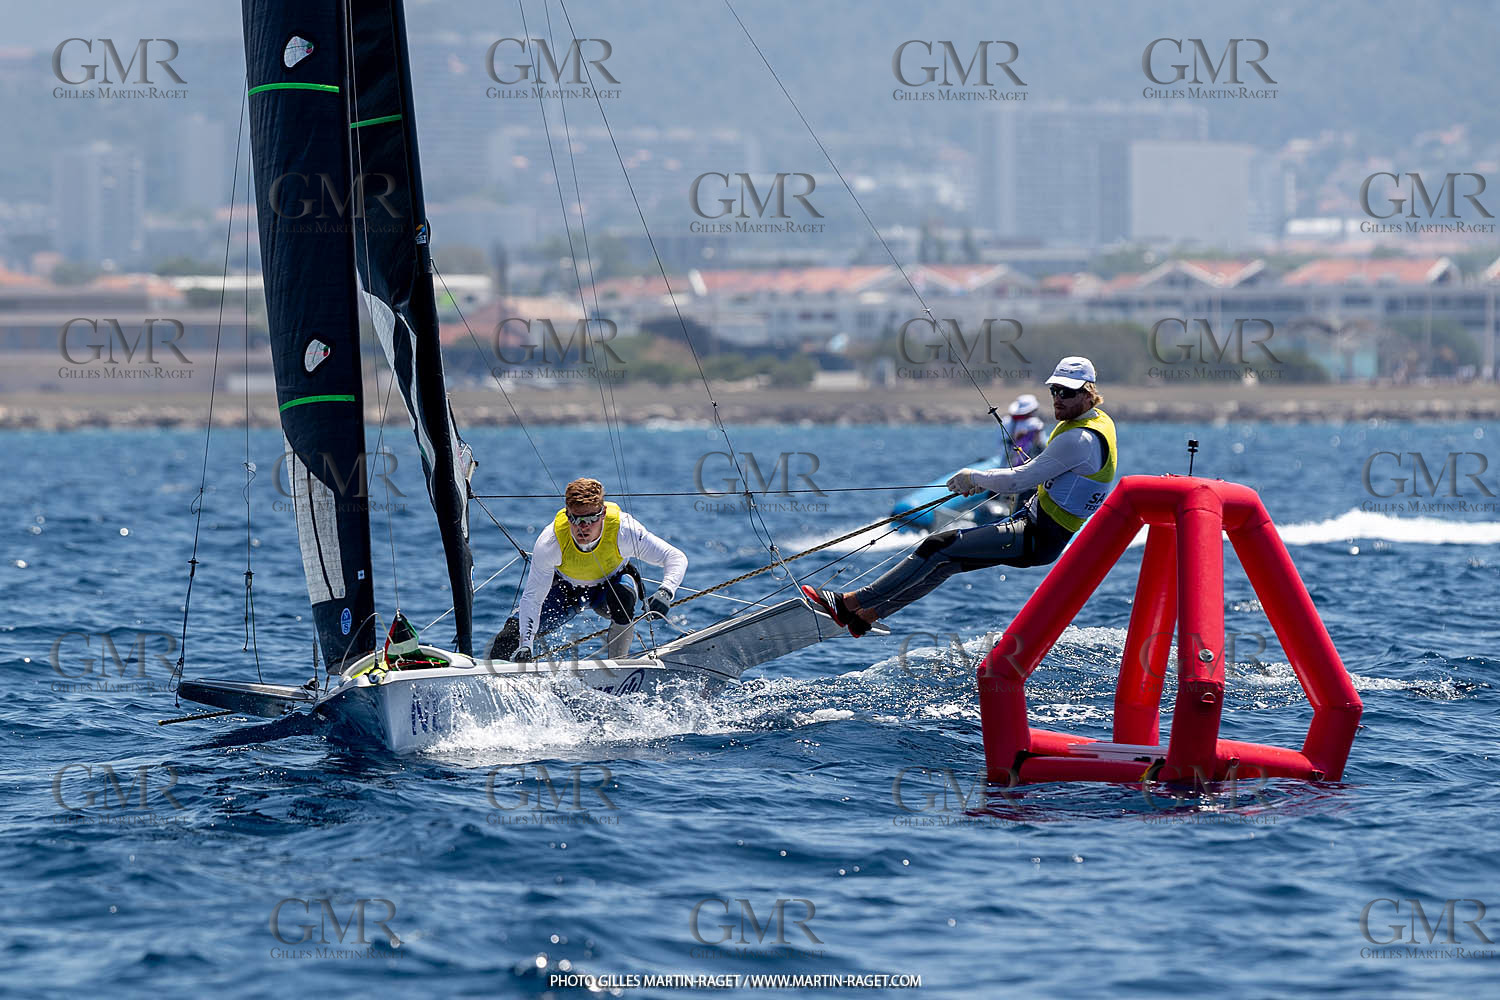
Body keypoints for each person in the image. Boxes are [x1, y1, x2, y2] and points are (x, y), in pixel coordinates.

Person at [804, 356, 1117, 636]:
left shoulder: (1079, 438)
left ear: (1089, 393)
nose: (1058, 398)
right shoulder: (1096, 422)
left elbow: (1021, 478)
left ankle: (849, 604)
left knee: (937, 545)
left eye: (1068, 392)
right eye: (1054, 390)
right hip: (1037, 529)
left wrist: (973, 476)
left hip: (1038, 536)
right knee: (945, 563)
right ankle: (867, 617)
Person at [487, 478, 687, 661]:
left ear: (603, 514)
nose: (583, 527)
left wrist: (666, 591)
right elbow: (532, 598)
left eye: (590, 519)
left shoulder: (625, 531)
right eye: (575, 519)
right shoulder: (551, 541)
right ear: (567, 514)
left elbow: (675, 557)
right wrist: (526, 646)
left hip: (610, 587)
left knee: (623, 596)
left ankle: (618, 666)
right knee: (508, 637)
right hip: (567, 591)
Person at [1001, 393, 1046, 460]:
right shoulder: (1034, 423)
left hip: (1008, 460)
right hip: (1026, 460)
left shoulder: (1006, 421)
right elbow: (1040, 443)